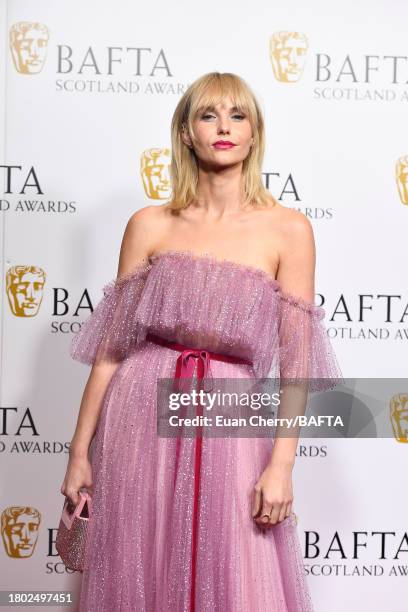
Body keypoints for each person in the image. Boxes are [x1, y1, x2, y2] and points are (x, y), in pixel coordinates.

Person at [60, 71, 342, 611]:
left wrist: (282, 466)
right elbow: (110, 353)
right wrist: (78, 454)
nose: (224, 127)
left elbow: (296, 365)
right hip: (140, 411)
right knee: (140, 556)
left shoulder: (288, 229)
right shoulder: (148, 223)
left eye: (238, 116)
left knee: (236, 560)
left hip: (229, 415)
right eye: (209, 115)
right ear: (186, 133)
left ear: (254, 134)